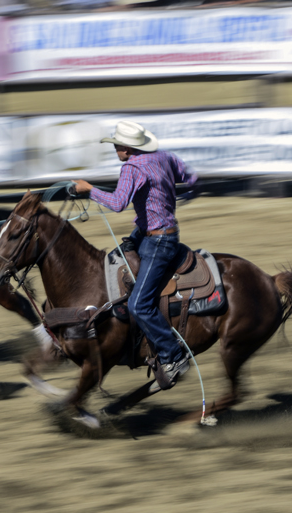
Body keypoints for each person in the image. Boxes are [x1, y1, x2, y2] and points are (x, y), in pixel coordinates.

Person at [69, 121, 198, 390]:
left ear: (126, 148)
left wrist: (88, 190)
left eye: (116, 144)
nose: (115, 148)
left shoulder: (131, 167)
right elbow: (191, 175)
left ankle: (173, 355)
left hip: (158, 241)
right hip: (155, 231)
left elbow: (117, 204)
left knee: (139, 304)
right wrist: (185, 193)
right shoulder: (165, 157)